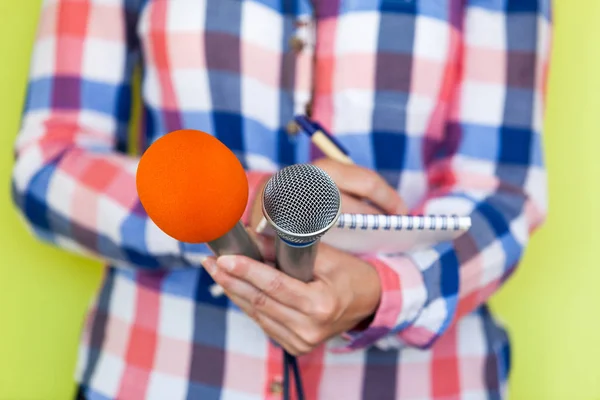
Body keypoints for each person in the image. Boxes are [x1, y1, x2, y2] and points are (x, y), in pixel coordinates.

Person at [11, 0, 551, 398]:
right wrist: (245, 199)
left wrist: (381, 292)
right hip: (161, 375)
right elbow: (49, 162)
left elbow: (501, 196)